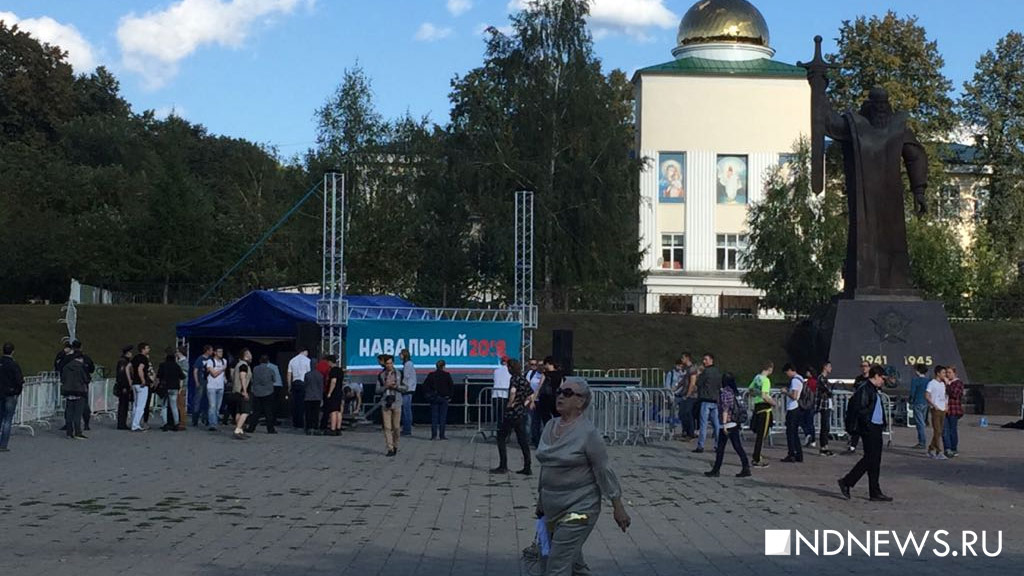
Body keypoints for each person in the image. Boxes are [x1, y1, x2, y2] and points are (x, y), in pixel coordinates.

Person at [533, 379, 630, 575]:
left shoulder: (588, 433)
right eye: (559, 391)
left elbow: (603, 469)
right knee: (562, 560)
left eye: (567, 393)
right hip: (551, 505)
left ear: (581, 401)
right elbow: (547, 466)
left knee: (556, 564)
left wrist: (617, 506)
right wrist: (541, 499)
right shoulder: (550, 425)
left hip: (580, 505)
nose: (560, 396)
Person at [838, 365, 893, 502]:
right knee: (870, 458)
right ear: (876, 376)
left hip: (876, 426)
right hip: (869, 428)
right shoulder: (865, 389)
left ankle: (874, 491)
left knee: (875, 460)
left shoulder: (873, 389)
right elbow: (861, 410)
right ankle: (847, 481)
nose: (883, 381)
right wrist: (867, 425)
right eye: (882, 378)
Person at [491, 358, 532, 475]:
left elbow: (513, 391)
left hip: (512, 413)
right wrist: (523, 404)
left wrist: (510, 404)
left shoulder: (514, 379)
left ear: (510, 368)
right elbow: (531, 395)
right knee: (522, 440)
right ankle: (527, 466)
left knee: (501, 437)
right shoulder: (524, 380)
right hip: (521, 412)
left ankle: (503, 465)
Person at [705, 372, 751, 478]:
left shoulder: (725, 393)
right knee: (737, 446)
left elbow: (725, 409)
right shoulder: (735, 392)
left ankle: (716, 469)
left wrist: (724, 424)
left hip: (727, 423)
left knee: (721, 448)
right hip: (735, 422)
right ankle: (745, 467)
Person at [747, 361, 775, 467]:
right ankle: (757, 458)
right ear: (770, 369)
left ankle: (757, 456)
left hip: (757, 406)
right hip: (765, 408)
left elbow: (750, 390)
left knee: (760, 434)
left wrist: (756, 394)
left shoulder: (757, 378)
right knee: (762, 435)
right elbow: (764, 395)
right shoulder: (766, 380)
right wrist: (773, 403)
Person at [693, 353, 721, 453]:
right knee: (716, 424)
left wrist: (699, 374)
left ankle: (701, 445)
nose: (704, 361)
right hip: (715, 400)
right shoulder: (717, 371)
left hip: (705, 400)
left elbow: (698, 383)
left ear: (711, 360)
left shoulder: (706, 372)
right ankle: (718, 445)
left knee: (703, 424)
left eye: (705, 359)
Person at [531, 357, 561, 447]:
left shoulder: (546, 374)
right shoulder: (560, 374)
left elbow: (539, 388)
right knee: (557, 420)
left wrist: (533, 400)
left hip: (545, 399)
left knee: (546, 421)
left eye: (545, 364)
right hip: (555, 399)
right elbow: (561, 387)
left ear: (548, 364)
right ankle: (556, 440)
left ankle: (548, 440)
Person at [0, 342, 25, 451]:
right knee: (8, 419)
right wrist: (17, 391)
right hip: (10, 393)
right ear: (13, 352)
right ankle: (3, 445)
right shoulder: (14, 364)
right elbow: (19, 380)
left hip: (0, 392)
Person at [422, 359, 453, 440]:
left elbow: (425, 386)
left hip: (434, 398)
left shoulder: (431, 375)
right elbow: (451, 387)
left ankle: (434, 435)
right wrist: (450, 396)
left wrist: (429, 395)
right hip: (444, 398)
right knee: (443, 417)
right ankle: (442, 435)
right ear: (444, 366)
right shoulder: (447, 375)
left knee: (434, 417)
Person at [247, 355, 278, 434]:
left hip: (257, 392)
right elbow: (274, 379)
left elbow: (252, 378)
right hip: (268, 392)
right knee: (268, 412)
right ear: (268, 361)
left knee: (256, 412)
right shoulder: (270, 370)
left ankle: (251, 428)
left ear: (260, 361)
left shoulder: (255, 369)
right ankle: (270, 429)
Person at [61, 354, 90, 439]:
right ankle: (77, 432)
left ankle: (69, 432)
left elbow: (63, 378)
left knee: (69, 412)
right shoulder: (82, 367)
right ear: (81, 359)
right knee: (78, 413)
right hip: (79, 391)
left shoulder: (66, 367)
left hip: (68, 391)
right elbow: (86, 379)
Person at [378, 356, 402, 456]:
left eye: (390, 363)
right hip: (385, 402)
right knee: (387, 427)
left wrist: (396, 386)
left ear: (393, 363)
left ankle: (395, 445)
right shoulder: (381, 375)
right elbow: (377, 389)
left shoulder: (399, 373)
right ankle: (390, 448)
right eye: (387, 363)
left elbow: (406, 387)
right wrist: (385, 386)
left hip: (396, 402)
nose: (389, 365)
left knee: (396, 427)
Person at [781, 363, 804, 463]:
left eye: (787, 372)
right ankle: (799, 454)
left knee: (790, 432)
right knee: (795, 433)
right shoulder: (800, 378)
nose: (787, 375)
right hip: (797, 408)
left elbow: (794, 396)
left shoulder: (795, 380)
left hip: (792, 408)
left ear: (790, 370)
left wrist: (785, 392)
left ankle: (791, 454)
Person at [157, 350, 185, 432]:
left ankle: (165, 424)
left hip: (165, 388)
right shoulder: (176, 366)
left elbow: (158, 376)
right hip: (174, 388)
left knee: (164, 406)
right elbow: (182, 376)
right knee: (174, 406)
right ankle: (176, 423)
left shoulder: (162, 365)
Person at [847, 361, 871, 453]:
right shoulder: (858, 379)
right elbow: (854, 390)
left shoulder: (871, 379)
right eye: (862, 366)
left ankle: (868, 447)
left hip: (867, 406)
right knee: (856, 426)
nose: (864, 368)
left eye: (865, 366)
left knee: (867, 427)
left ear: (869, 367)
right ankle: (853, 445)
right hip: (858, 406)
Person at [925, 365, 948, 460]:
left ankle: (931, 448)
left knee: (939, 431)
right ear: (938, 373)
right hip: (935, 409)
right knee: (937, 430)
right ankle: (939, 451)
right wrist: (933, 405)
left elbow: (945, 395)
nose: (945, 374)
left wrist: (946, 405)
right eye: (943, 373)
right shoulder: (931, 383)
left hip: (943, 409)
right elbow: (927, 395)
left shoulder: (943, 384)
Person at [674, 353, 699, 440]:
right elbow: (683, 381)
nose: (681, 359)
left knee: (687, 413)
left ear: (687, 358)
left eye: (683, 358)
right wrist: (676, 387)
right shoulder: (687, 369)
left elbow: (692, 383)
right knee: (682, 413)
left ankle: (690, 433)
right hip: (685, 394)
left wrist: (688, 394)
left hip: (691, 395)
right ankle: (685, 431)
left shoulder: (692, 369)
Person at [230, 348, 253, 439]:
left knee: (239, 411)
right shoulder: (243, 365)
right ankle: (237, 429)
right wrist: (245, 391)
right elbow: (242, 377)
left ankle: (240, 430)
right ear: (245, 356)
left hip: (236, 391)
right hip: (242, 391)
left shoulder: (238, 364)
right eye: (249, 354)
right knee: (246, 411)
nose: (251, 356)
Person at [130, 343, 153, 432]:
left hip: (134, 383)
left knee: (135, 405)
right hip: (141, 384)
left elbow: (130, 368)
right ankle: (135, 425)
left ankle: (133, 423)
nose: (149, 349)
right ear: (143, 349)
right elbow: (140, 369)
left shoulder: (135, 358)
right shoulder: (144, 358)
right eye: (147, 348)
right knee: (141, 406)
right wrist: (143, 380)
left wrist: (133, 377)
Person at [287, 347, 312, 428]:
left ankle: (295, 422)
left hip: (295, 383)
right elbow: (309, 374)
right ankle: (301, 423)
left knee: (295, 404)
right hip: (303, 383)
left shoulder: (292, 360)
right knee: (302, 404)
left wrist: (289, 385)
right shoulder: (308, 361)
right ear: (305, 351)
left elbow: (289, 374)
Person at [205, 346, 228, 432]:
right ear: (215, 352)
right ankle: (212, 424)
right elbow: (214, 374)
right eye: (219, 352)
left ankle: (215, 422)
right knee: (212, 406)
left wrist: (225, 379)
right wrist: (222, 368)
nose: (221, 353)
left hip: (220, 386)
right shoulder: (210, 361)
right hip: (212, 386)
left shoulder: (224, 361)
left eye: (222, 352)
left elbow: (223, 373)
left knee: (218, 407)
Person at [908, 363, 930, 449]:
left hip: (917, 402)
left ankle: (922, 442)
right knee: (922, 421)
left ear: (917, 371)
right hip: (925, 402)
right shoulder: (928, 381)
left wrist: (910, 400)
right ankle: (922, 441)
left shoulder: (915, 380)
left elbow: (912, 392)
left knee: (920, 423)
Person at [944, 366, 964, 458]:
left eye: (949, 372)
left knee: (952, 430)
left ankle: (953, 448)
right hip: (944, 409)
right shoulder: (944, 383)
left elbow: (954, 394)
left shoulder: (958, 383)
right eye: (946, 373)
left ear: (954, 373)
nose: (947, 374)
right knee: (945, 430)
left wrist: (948, 385)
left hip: (953, 409)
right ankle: (947, 448)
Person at [816, 362, 835, 456]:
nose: (831, 368)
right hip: (824, 405)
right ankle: (823, 447)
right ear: (825, 367)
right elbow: (827, 390)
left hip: (828, 404)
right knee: (824, 426)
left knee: (826, 427)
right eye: (829, 366)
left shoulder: (825, 379)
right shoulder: (821, 378)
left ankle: (825, 446)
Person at [190, 345, 212, 428]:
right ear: (207, 351)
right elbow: (195, 371)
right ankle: (195, 419)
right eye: (211, 350)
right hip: (201, 382)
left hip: (209, 383)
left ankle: (206, 418)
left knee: (208, 401)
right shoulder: (200, 359)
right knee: (197, 401)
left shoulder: (211, 359)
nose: (212, 352)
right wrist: (197, 381)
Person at [114, 345, 134, 430]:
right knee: (123, 405)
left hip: (124, 386)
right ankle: (121, 424)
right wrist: (124, 386)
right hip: (123, 387)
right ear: (127, 353)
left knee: (124, 405)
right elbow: (122, 375)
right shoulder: (123, 362)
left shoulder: (124, 361)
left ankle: (122, 422)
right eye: (130, 353)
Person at [302, 363, 324, 436]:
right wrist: (321, 397)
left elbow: (305, 385)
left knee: (308, 413)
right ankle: (315, 427)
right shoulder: (320, 375)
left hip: (308, 396)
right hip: (317, 397)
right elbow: (321, 387)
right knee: (316, 414)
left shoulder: (307, 375)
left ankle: (308, 427)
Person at [526, 358, 544, 445]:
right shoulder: (531, 373)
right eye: (532, 364)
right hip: (532, 400)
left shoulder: (546, 375)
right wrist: (529, 398)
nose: (539, 367)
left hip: (543, 400)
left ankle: (540, 440)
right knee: (530, 421)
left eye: (541, 365)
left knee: (541, 423)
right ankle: (530, 439)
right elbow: (527, 385)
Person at [399, 349, 417, 436]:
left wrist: (401, 385)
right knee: (407, 409)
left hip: (407, 389)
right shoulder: (409, 364)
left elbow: (406, 377)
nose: (399, 355)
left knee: (406, 410)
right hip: (410, 388)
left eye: (401, 354)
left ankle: (407, 429)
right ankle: (407, 428)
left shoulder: (407, 364)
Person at [325, 361, 345, 436]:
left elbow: (333, 381)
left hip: (334, 393)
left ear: (330, 362)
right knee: (338, 411)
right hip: (339, 392)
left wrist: (329, 392)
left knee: (333, 411)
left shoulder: (333, 370)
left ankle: (332, 429)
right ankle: (338, 428)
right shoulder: (340, 370)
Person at [492, 356, 511, 428]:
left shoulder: (496, 371)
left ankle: (499, 430)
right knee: (505, 415)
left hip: (495, 395)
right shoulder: (510, 371)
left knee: (498, 415)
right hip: (505, 395)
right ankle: (504, 430)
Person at [802, 369, 818, 448]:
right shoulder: (814, 382)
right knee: (810, 422)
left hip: (807, 404)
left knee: (805, 421)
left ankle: (809, 436)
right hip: (812, 405)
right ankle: (812, 439)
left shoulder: (809, 382)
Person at [175, 347, 189, 430]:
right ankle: (179, 421)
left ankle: (182, 423)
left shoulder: (184, 362)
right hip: (178, 385)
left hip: (182, 386)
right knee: (178, 404)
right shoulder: (179, 361)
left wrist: (181, 386)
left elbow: (184, 375)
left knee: (181, 405)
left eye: (177, 351)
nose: (176, 353)